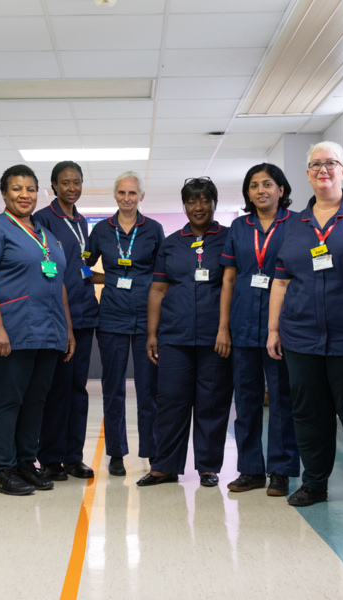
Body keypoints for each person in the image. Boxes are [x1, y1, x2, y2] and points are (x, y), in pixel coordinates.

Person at [267, 141, 343, 514]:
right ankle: (314, 484)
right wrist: (274, 331)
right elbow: (281, 281)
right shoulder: (291, 226)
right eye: (316, 164)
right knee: (308, 414)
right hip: (301, 337)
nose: (323, 170)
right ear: (307, 174)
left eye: (331, 163)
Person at [0, 164, 75, 496]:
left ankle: (27, 462)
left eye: (30, 189)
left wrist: (67, 331)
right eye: (16, 189)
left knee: (35, 401)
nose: (24, 195)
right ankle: (2, 468)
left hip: (47, 333)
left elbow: (59, 285)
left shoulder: (45, 234)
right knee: (7, 400)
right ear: (4, 193)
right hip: (10, 334)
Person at [137, 177, 233, 488]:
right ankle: (165, 466)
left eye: (204, 200)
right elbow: (158, 290)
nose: (198, 207)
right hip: (174, 336)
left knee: (212, 401)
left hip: (214, 337)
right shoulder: (171, 243)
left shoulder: (229, 239)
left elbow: (233, 286)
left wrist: (225, 330)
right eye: (192, 201)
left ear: (214, 203)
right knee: (171, 402)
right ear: (184, 206)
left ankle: (207, 467)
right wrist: (152, 334)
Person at [219, 163, 300, 496]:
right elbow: (228, 278)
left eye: (268, 184)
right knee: (247, 400)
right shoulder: (239, 227)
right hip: (242, 324)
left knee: (282, 400)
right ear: (247, 193)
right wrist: (223, 327)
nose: (261, 191)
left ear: (281, 189)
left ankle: (281, 471)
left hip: (283, 326)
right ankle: (250, 469)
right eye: (254, 186)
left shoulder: (297, 225)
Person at [88, 172, 164, 477]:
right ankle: (116, 452)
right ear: (115, 195)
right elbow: (83, 265)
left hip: (147, 319)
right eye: (122, 193)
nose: (127, 198)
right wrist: (108, 278)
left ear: (141, 196)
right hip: (111, 318)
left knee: (148, 390)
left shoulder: (154, 230)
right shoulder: (102, 231)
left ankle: (152, 451)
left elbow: (164, 275)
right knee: (113, 388)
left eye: (133, 193)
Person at [34, 161, 99, 481]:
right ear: (54, 186)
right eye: (66, 183)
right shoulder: (43, 220)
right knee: (56, 389)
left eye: (77, 182)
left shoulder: (82, 221)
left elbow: (80, 266)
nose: (72, 187)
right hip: (58, 317)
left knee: (78, 388)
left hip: (85, 314)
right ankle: (50, 457)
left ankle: (74, 456)